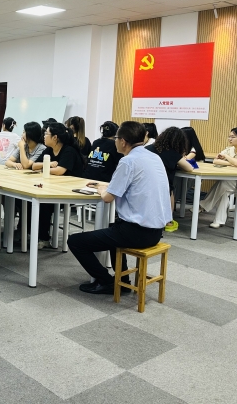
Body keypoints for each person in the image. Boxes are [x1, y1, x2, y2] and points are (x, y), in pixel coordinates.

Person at [67, 121, 172, 295]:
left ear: (123, 141)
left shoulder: (127, 161)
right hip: (156, 230)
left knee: (75, 242)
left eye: (116, 138)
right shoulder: (154, 157)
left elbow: (108, 198)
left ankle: (106, 281)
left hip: (136, 232)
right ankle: (122, 282)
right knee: (113, 229)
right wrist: (106, 187)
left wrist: (101, 189)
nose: (114, 141)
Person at [32, 122, 85, 247]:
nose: (44, 136)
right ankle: (29, 232)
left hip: (70, 191)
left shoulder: (68, 151)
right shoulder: (49, 150)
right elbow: (34, 166)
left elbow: (60, 171)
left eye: (46, 133)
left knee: (44, 204)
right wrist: (48, 165)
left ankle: (43, 238)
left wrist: (43, 169)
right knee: (31, 200)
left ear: (55, 137)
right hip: (54, 187)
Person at [199, 127, 237, 229]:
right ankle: (218, 221)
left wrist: (227, 157)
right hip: (234, 180)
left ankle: (203, 205)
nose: (230, 139)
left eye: (233, 137)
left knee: (224, 183)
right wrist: (232, 164)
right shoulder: (229, 149)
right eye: (229, 136)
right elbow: (215, 161)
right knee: (224, 188)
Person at [146, 127, 194, 232]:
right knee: (170, 190)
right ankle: (168, 221)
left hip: (145, 182)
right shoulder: (172, 153)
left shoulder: (148, 148)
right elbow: (189, 168)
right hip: (163, 186)